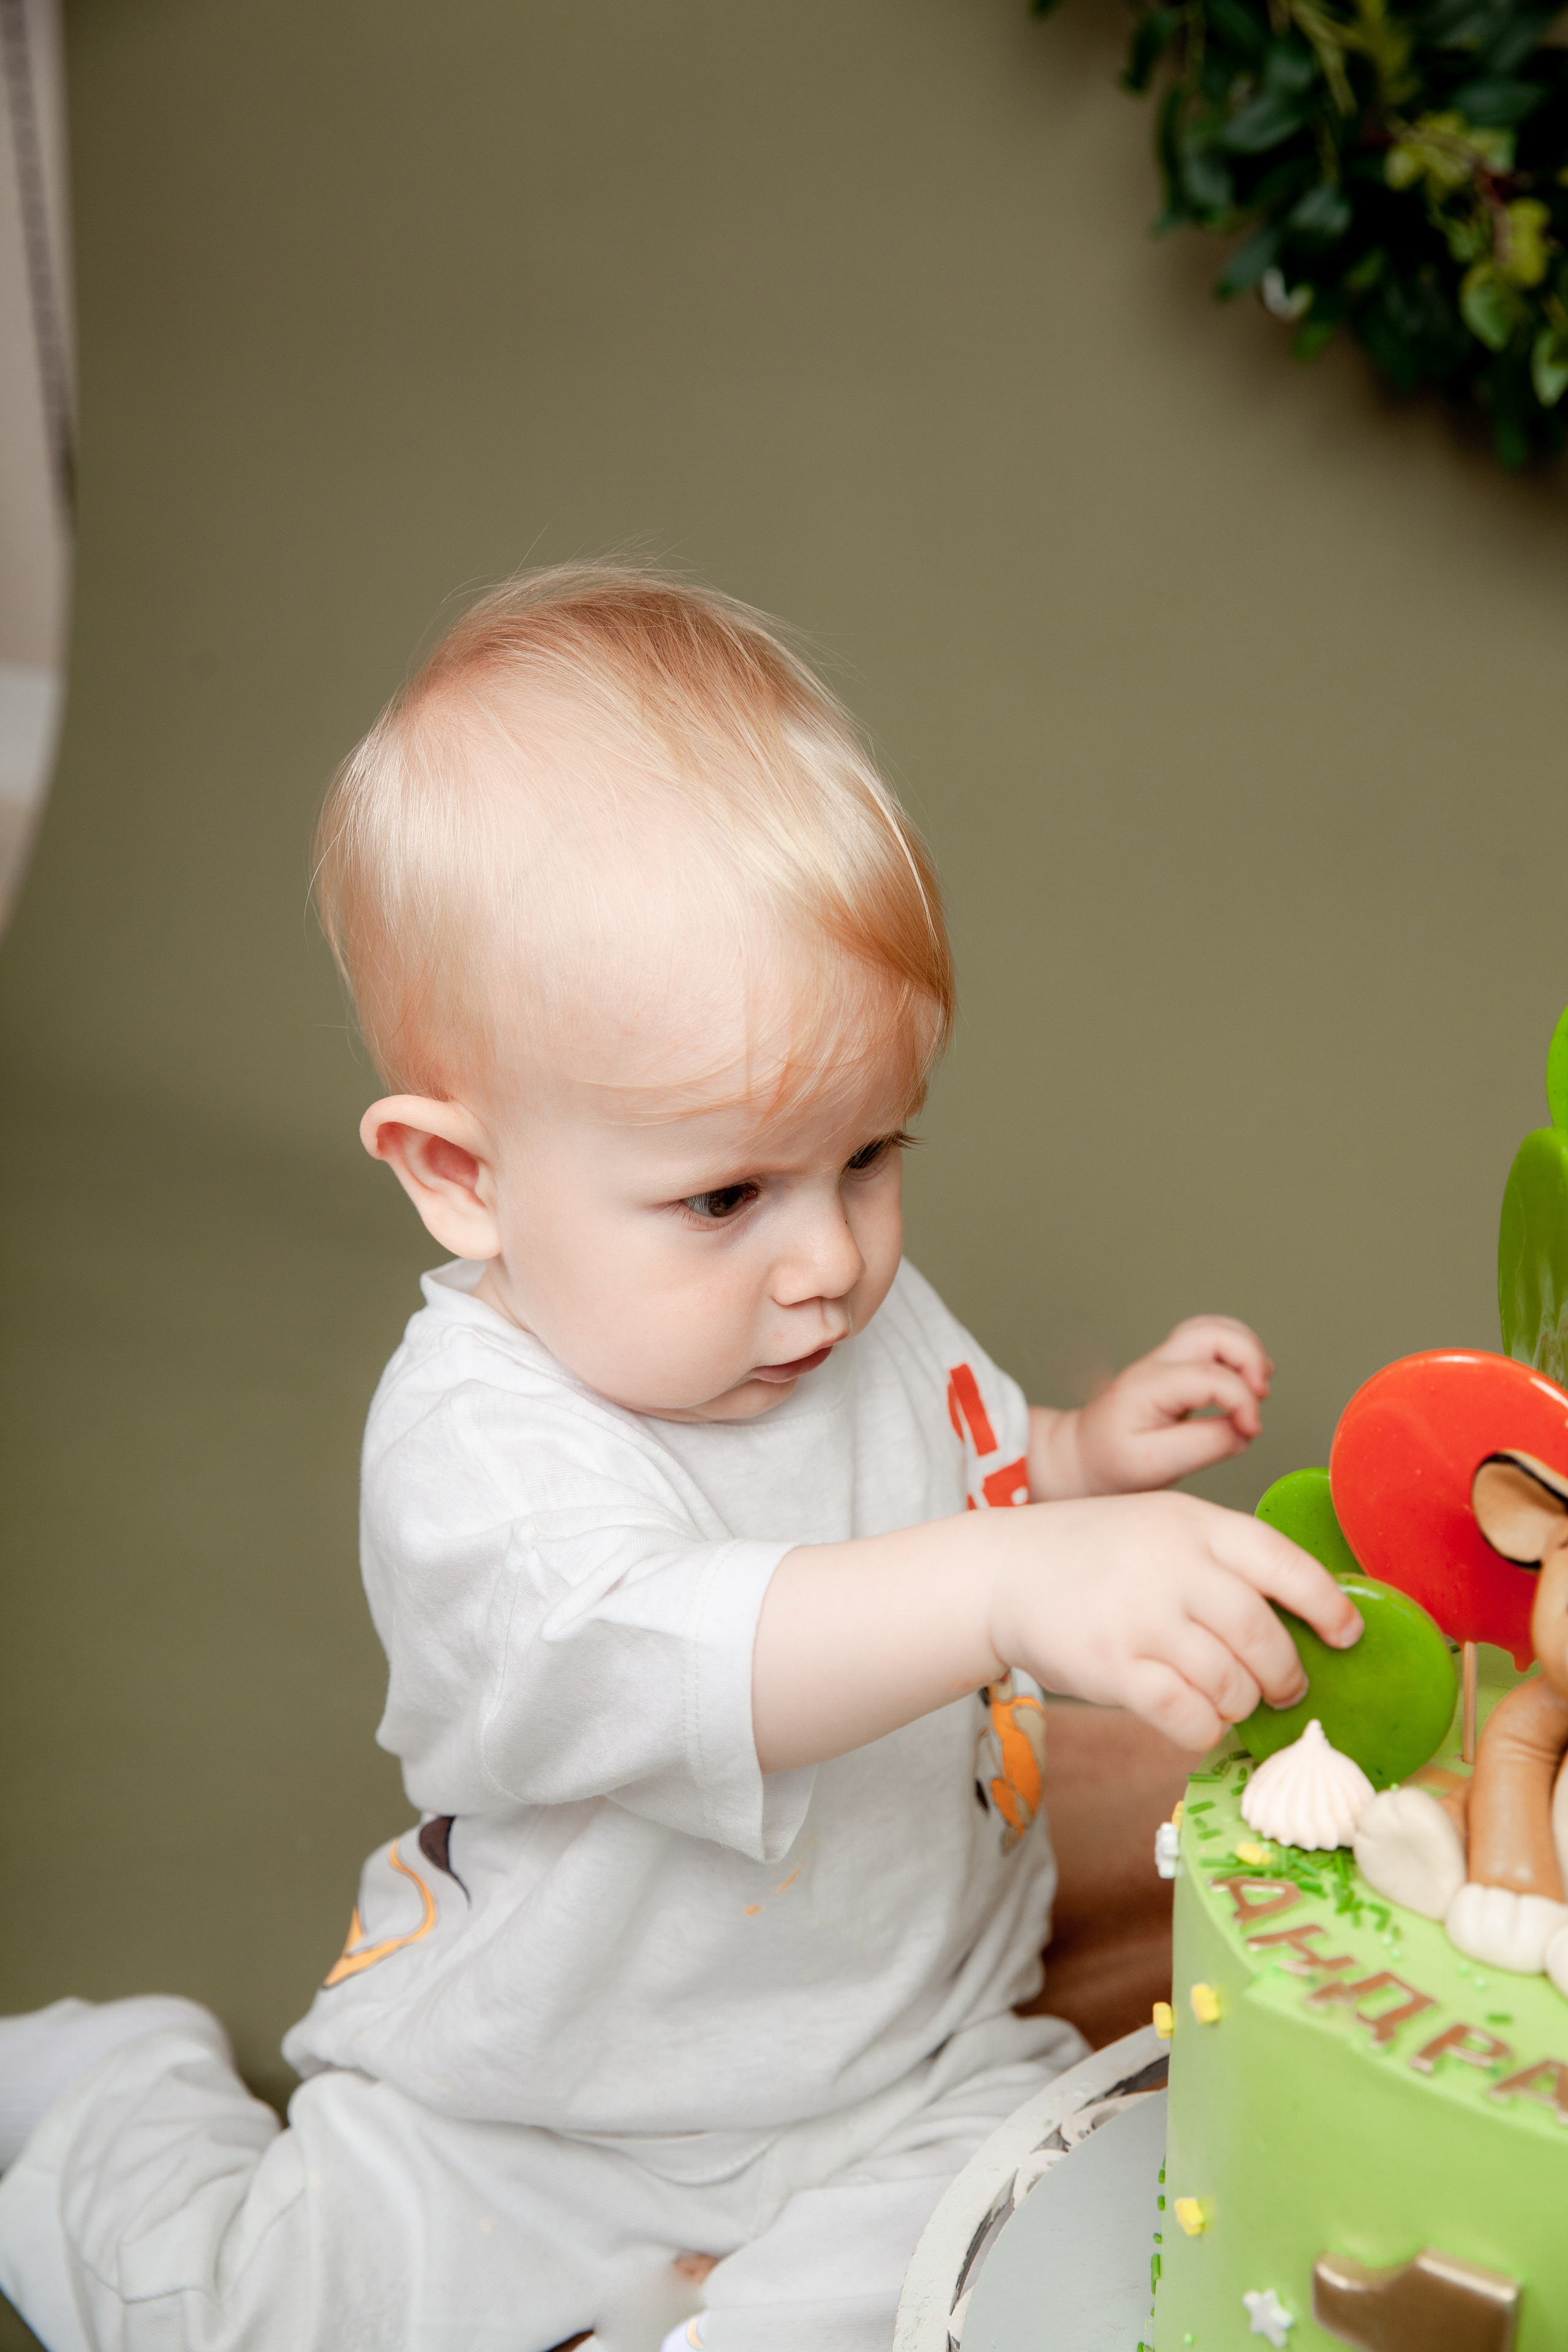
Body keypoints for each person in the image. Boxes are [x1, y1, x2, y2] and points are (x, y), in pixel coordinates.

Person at [0, 566, 1359, 2352]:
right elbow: (695, 1651)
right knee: (252, 2319)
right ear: (464, 1176)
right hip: (543, 2112)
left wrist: (1079, 1457)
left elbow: (952, 1480)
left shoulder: (835, 1308)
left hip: (917, 2046)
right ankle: (109, 2103)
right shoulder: (478, 1452)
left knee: (985, 2280)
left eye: (870, 1156)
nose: (830, 1260)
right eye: (726, 1196)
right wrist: (1013, 1580)